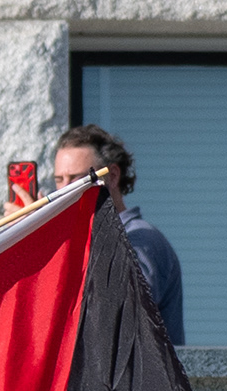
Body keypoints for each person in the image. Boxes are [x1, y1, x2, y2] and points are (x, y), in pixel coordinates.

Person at [51, 122, 184, 347]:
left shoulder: (143, 240)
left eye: (76, 179)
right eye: (59, 180)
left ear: (112, 176)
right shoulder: (79, 241)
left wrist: (55, 238)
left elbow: (119, 314)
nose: (65, 190)